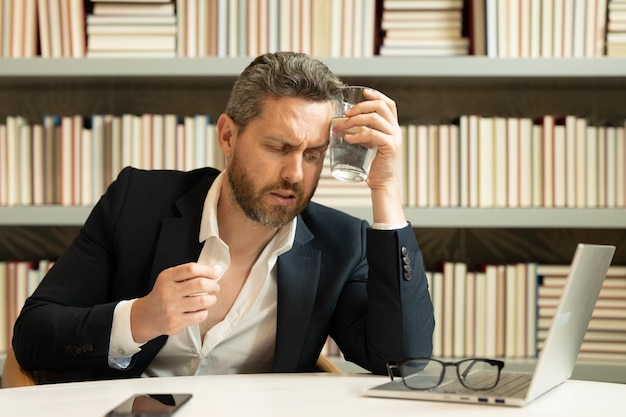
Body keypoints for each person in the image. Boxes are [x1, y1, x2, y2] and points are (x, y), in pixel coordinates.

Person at [12, 52, 434, 382]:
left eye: (312, 155)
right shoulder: (137, 202)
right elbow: (33, 334)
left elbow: (401, 359)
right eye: (278, 147)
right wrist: (140, 318)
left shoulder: (342, 243)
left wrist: (386, 191)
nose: (294, 173)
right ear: (228, 136)